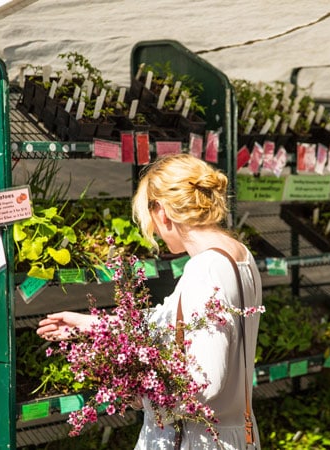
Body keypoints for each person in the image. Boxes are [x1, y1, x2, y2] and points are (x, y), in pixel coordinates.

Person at [37, 153, 262, 450]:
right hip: (231, 434)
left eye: (150, 214)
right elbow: (172, 320)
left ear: (163, 211)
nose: (153, 229)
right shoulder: (239, 257)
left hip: (197, 440)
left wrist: (141, 395)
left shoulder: (204, 269)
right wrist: (94, 325)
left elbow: (205, 383)